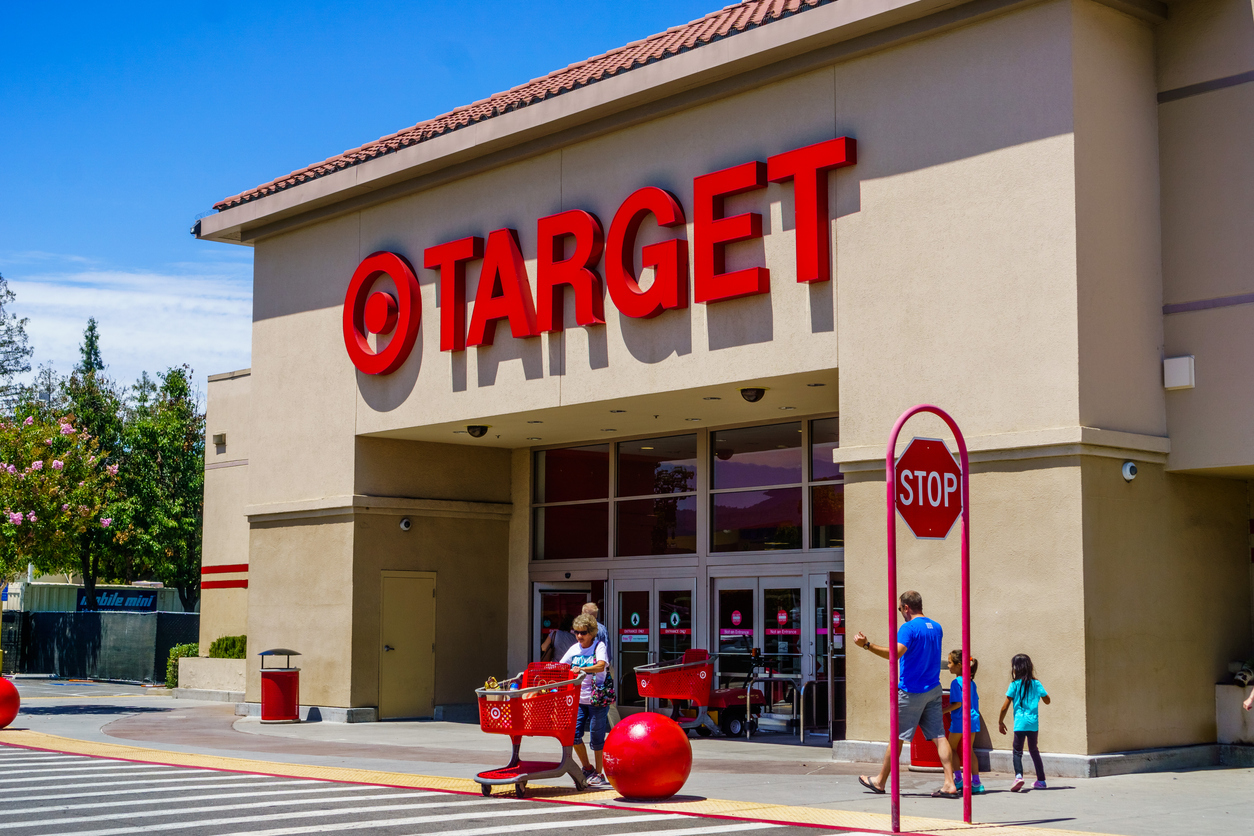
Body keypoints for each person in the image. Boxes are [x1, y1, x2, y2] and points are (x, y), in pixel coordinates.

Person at [852, 590, 958, 798]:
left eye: (900, 608)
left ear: (906, 607)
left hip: (911, 691)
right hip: (933, 689)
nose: (900, 612)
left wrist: (867, 645)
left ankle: (880, 781)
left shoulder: (908, 628)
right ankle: (949, 783)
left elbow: (895, 653)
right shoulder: (936, 627)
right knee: (939, 736)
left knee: (897, 737)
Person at [560, 613, 610, 788]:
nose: (579, 636)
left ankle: (599, 772)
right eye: (577, 632)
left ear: (592, 633)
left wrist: (581, 669)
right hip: (578, 699)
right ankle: (587, 768)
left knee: (597, 737)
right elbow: (561, 666)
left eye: (583, 633)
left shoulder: (599, 646)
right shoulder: (574, 649)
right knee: (573, 735)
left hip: (596, 699)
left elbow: (601, 665)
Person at [998, 653, 1050, 792]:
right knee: (1034, 750)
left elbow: (1005, 707)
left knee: (1017, 751)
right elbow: (1047, 700)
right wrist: (1040, 696)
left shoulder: (1014, 685)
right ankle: (1041, 780)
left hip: (1020, 724)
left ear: (1016, 669)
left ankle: (1019, 776)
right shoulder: (1036, 683)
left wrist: (1000, 722)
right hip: (1033, 724)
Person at [945, 650, 984, 794]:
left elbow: (957, 704)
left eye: (950, 663)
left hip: (959, 720)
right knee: (969, 750)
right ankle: (976, 782)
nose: (948, 666)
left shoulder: (956, 682)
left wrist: (942, 711)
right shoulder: (971, 682)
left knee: (951, 749)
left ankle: (958, 779)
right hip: (972, 720)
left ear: (959, 665)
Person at [582, 601, 620, 726]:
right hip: (604, 669)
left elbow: (596, 655)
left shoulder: (594, 631)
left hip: (598, 670)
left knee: (602, 702)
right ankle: (616, 729)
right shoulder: (601, 628)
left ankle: (615, 730)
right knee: (607, 703)